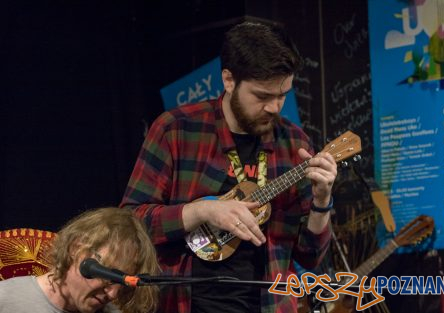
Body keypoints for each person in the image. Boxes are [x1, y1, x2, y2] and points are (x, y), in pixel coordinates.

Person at [121, 21, 336, 313]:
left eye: (283, 94)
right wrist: (201, 210)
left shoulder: (294, 143)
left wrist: (322, 201)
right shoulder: (177, 130)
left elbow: (310, 257)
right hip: (186, 304)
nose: (275, 107)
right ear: (228, 80)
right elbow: (131, 223)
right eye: (262, 96)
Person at [0, 207, 159, 313]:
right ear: (76, 249)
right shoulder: (6, 299)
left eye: (122, 285)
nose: (113, 294)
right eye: (111, 277)